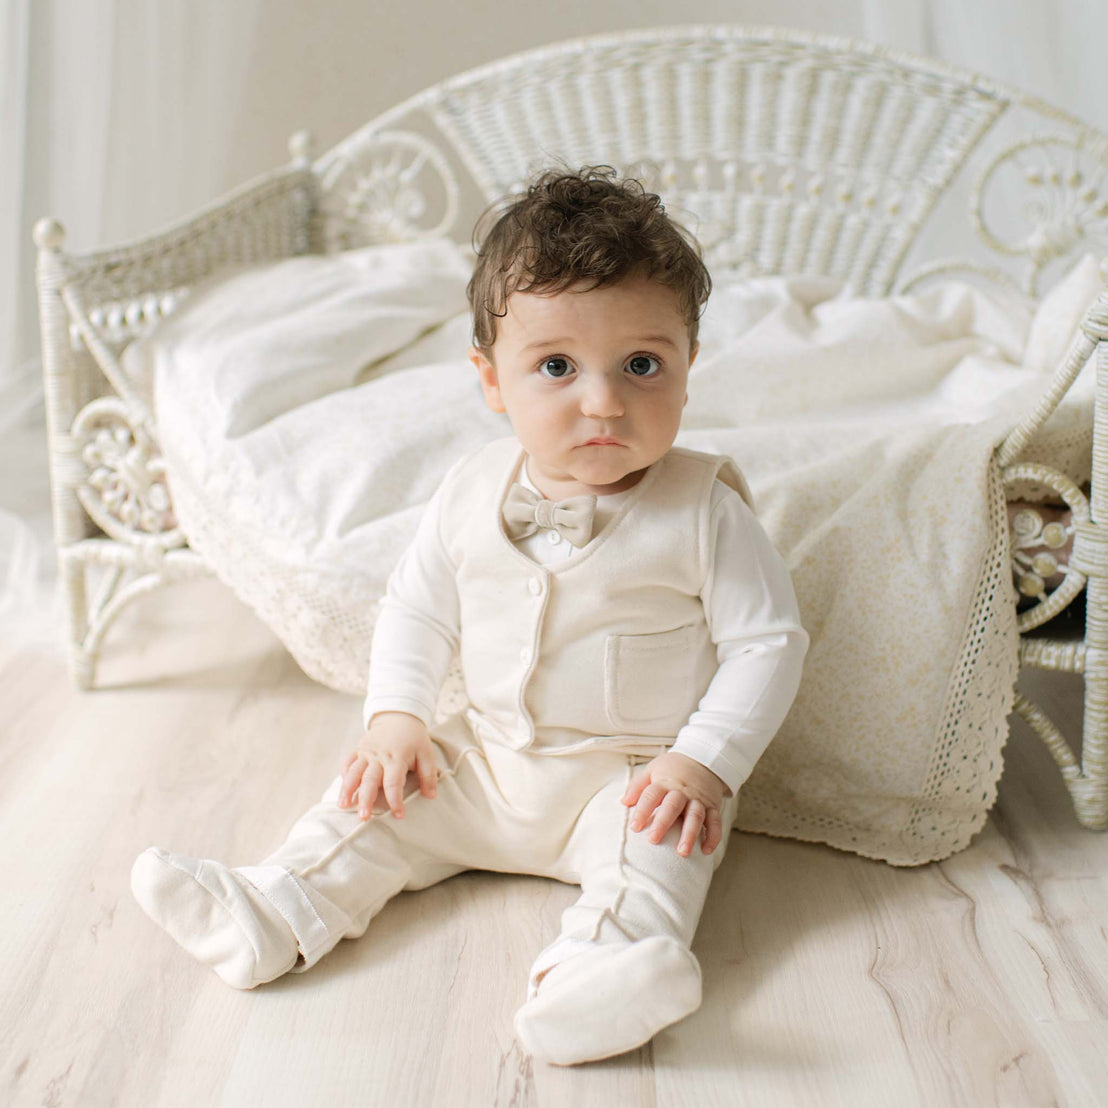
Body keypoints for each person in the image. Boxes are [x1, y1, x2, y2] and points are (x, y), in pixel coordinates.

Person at [131, 165, 809, 1066]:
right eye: (557, 367)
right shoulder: (466, 492)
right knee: (368, 805)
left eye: (641, 365)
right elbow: (417, 610)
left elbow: (768, 644)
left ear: (688, 368)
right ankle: (275, 910)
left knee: (654, 862)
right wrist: (399, 719)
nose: (603, 400)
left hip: (629, 779)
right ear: (491, 381)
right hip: (486, 761)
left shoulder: (705, 512)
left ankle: (599, 978)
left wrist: (703, 763)